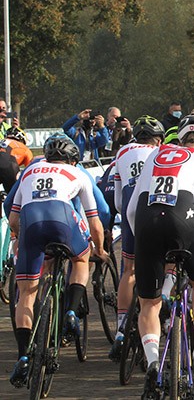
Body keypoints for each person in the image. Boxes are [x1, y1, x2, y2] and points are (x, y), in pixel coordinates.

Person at [128, 113, 194, 395]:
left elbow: (129, 210)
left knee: (148, 302)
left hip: (145, 217)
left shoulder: (156, 154)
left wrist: (146, 246)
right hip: (183, 216)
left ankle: (152, 363)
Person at [9, 134, 106, 387]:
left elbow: (12, 220)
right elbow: (95, 220)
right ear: (73, 160)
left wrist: (21, 238)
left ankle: (23, 357)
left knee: (26, 294)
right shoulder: (78, 174)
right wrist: (99, 248)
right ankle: (72, 311)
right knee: (81, 259)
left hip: (31, 223)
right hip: (62, 219)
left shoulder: (29, 172)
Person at [107, 116, 164, 360]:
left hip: (130, 210)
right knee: (165, 265)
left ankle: (121, 329)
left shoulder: (122, 153)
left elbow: (119, 202)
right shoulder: (162, 153)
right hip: (157, 211)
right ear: (158, 138)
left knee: (129, 270)